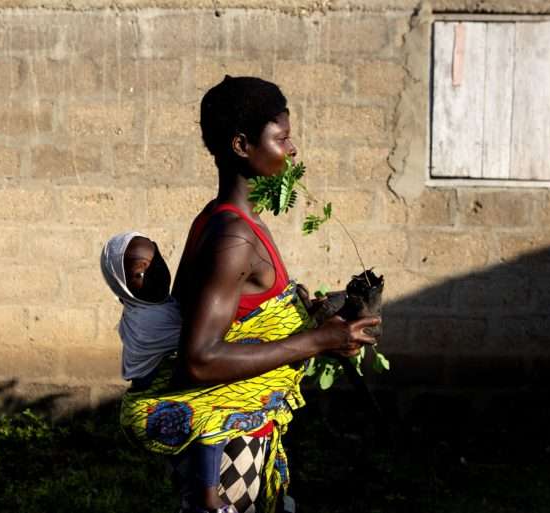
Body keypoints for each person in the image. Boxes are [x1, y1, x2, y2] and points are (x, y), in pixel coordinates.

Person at [119, 76, 380, 513]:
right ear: (242, 145)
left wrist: (316, 320)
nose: (292, 150)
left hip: (248, 435)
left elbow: (245, 322)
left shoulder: (229, 223)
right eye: (282, 138)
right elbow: (199, 359)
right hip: (227, 453)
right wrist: (318, 341)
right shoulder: (233, 236)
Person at [101, 232, 237, 513]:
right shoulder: (147, 319)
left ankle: (193, 498)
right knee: (212, 416)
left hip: (163, 391)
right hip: (151, 401)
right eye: (140, 274)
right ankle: (212, 501)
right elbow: (200, 349)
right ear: (124, 287)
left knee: (189, 468)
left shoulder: (161, 304)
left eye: (157, 263)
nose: (154, 276)